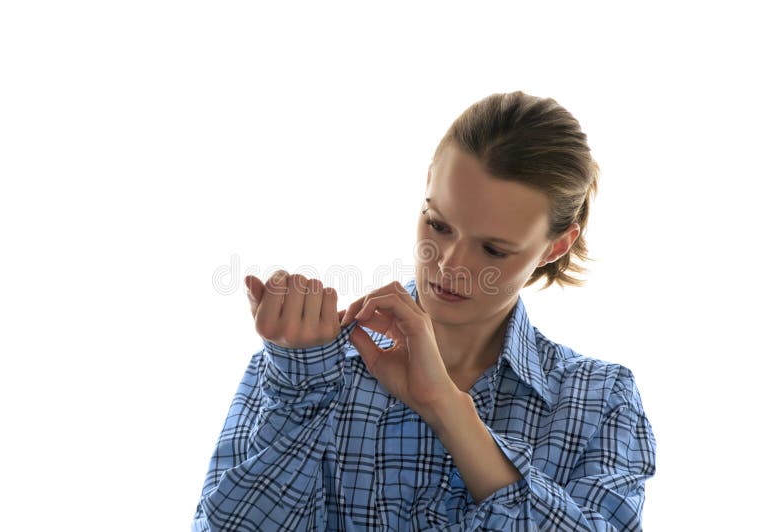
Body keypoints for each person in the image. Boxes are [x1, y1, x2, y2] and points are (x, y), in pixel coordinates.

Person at [190, 91, 656, 531]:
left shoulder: (600, 399)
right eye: (437, 224)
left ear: (556, 245)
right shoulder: (309, 368)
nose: (450, 265)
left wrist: (448, 410)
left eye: (493, 249)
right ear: (427, 186)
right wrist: (299, 387)